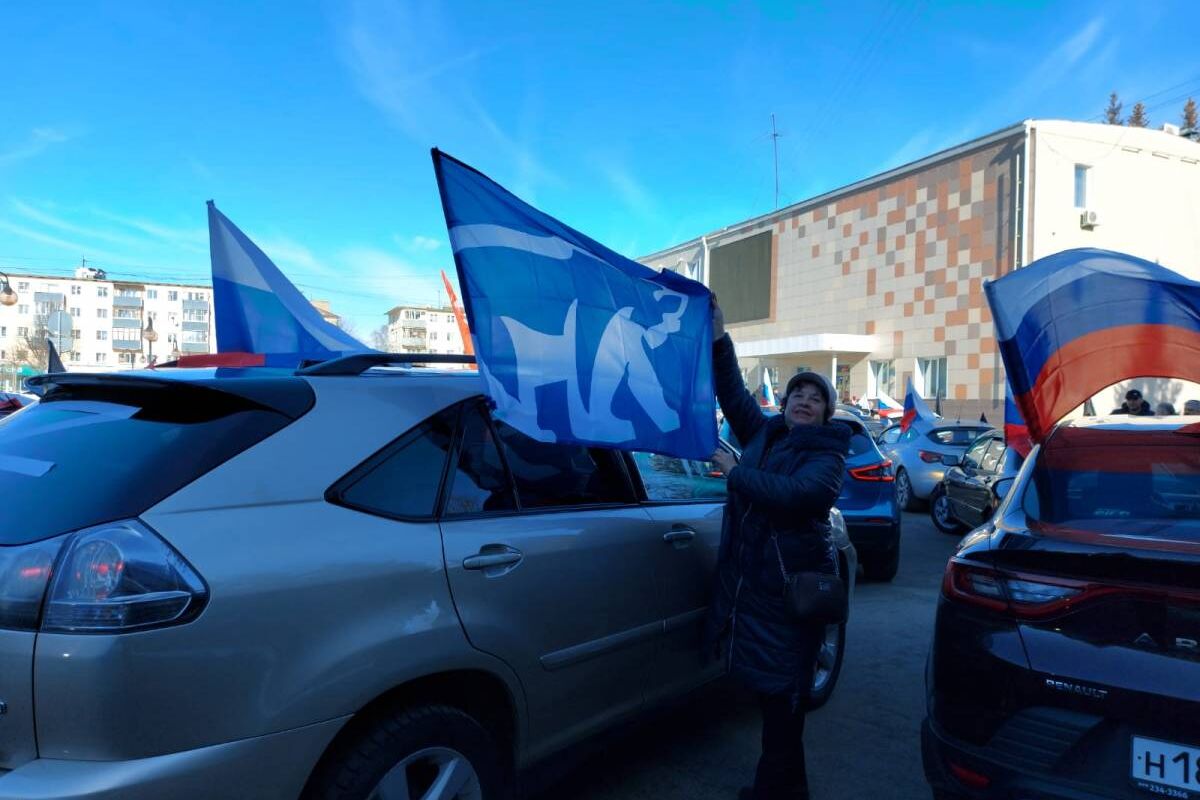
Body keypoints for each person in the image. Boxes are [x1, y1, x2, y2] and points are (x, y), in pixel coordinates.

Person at [705, 298, 850, 800]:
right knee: (778, 711)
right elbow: (732, 394)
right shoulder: (767, 434)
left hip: (791, 604)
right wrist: (721, 339)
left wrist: (737, 473)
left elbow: (799, 496)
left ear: (826, 412)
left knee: (783, 707)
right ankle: (785, 790)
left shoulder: (828, 455)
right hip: (762, 601)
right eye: (797, 393)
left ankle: (775, 793)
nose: (803, 400)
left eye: (815, 397)